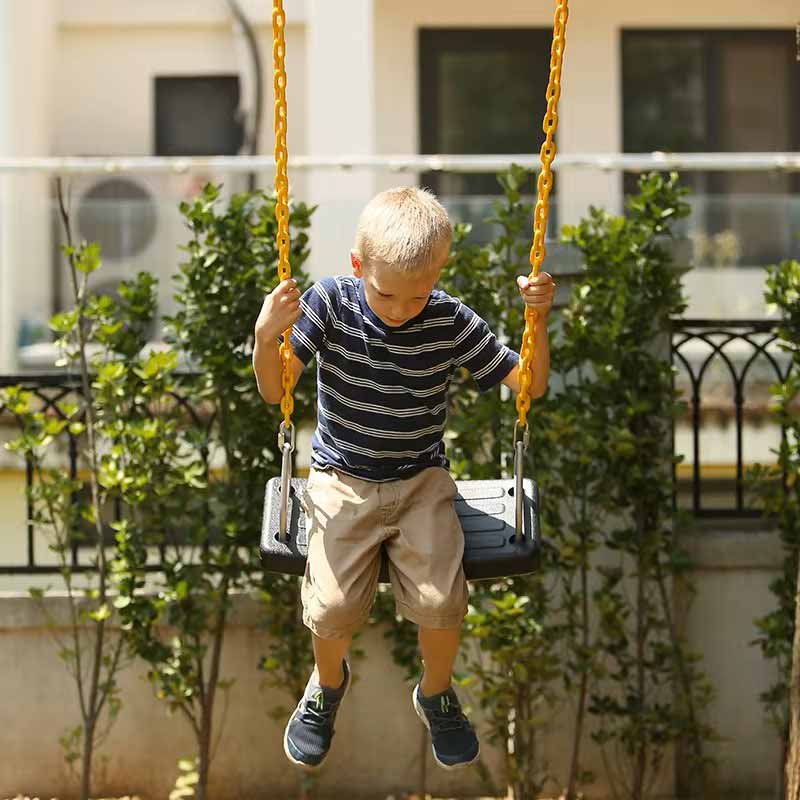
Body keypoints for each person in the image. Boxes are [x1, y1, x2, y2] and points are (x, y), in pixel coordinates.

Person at [252, 186, 554, 772]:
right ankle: (326, 683)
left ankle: (436, 692)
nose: (399, 309)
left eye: (417, 295)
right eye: (386, 293)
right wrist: (269, 336)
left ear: (438, 275)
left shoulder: (446, 318)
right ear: (358, 265)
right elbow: (275, 389)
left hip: (421, 482)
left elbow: (529, 385)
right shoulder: (331, 304)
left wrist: (537, 321)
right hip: (342, 480)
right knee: (334, 607)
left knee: (444, 599)